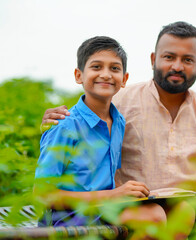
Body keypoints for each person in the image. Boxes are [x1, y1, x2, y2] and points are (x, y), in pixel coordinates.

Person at [41, 22, 196, 235]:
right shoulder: (120, 102)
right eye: (169, 57)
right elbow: (85, 111)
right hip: (138, 201)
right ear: (153, 59)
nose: (177, 66)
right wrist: (54, 118)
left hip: (191, 195)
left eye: (187, 59)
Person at [35, 36, 166, 228]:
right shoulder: (64, 125)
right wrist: (113, 194)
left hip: (104, 210)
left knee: (178, 213)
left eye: (114, 68)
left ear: (124, 79)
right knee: (153, 216)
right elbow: (42, 195)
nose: (106, 74)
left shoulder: (119, 122)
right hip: (67, 219)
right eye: (96, 67)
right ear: (78, 75)